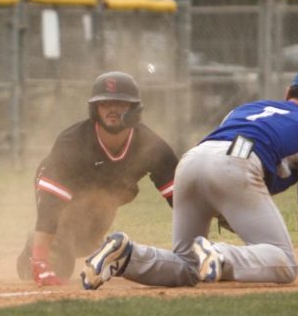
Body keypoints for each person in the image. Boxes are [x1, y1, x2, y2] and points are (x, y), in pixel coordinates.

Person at [81, 69, 298, 290]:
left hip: (191, 161)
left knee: (188, 264)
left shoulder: (246, 108)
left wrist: (228, 204)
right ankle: (218, 254)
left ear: (287, 94)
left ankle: (127, 256)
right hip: (236, 165)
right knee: (284, 262)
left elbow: (223, 152)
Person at [16, 71, 178, 286]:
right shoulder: (72, 142)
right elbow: (50, 206)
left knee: (85, 244)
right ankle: (34, 250)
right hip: (65, 190)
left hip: (108, 190)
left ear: (134, 109)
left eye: (120, 103)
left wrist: (197, 242)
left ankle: (66, 242)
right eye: (104, 103)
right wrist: (40, 262)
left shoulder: (150, 146)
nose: (112, 109)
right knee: (61, 264)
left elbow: (181, 199)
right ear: (95, 109)